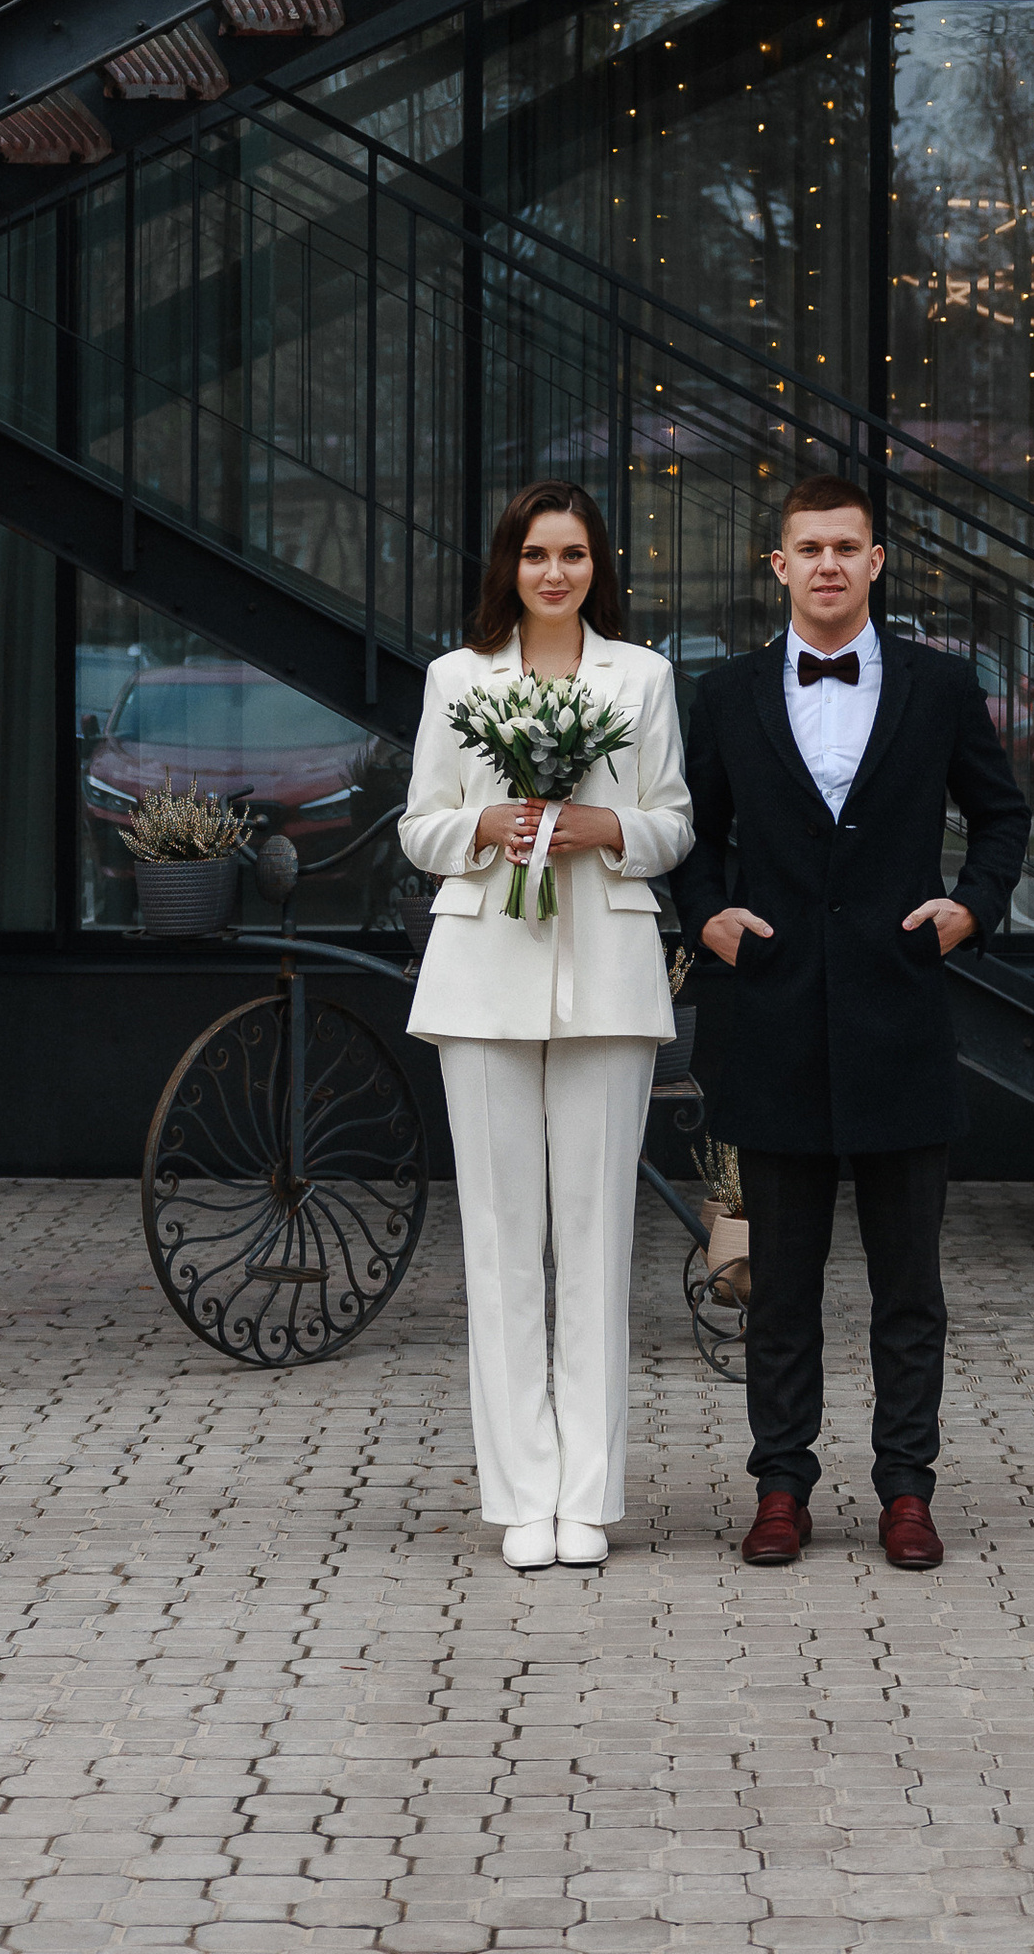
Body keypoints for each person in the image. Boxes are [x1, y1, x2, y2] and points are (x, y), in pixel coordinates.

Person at [673, 473, 1029, 1573]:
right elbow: (691, 830)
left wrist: (969, 909)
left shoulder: (939, 684)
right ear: (777, 568)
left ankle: (905, 1492)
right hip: (773, 1017)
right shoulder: (726, 693)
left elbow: (1003, 813)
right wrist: (705, 920)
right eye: (807, 548)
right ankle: (781, 1486)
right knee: (777, 1286)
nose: (827, 564)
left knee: (907, 1288)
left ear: (876, 562)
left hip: (897, 1017)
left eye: (846, 547)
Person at [400, 481, 691, 1574]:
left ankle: (587, 1497)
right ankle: (521, 1493)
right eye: (535, 555)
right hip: (482, 975)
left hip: (609, 979)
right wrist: (489, 821)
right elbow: (419, 826)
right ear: (507, 566)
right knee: (499, 1244)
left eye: (572, 554)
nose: (554, 573)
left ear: (596, 566)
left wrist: (601, 824)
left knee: (599, 1244)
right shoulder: (456, 678)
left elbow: (673, 823)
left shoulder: (643, 675)